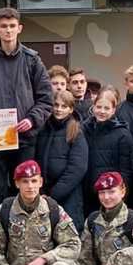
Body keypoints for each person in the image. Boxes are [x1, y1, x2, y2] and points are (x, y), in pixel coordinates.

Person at [0, 7, 53, 211]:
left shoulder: (32, 60)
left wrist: (32, 119)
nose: (8, 30)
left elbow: (46, 99)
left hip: (25, 137)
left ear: (20, 28)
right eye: (4, 26)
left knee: (25, 187)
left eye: (12, 26)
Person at [34, 90, 89, 230]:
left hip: (68, 194)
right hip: (44, 192)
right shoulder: (44, 128)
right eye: (56, 105)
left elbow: (77, 168)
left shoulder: (76, 131)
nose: (58, 109)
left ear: (71, 109)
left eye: (64, 106)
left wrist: (54, 193)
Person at [83, 86, 133, 214]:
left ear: (113, 111)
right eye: (99, 107)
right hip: (87, 194)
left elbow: (126, 170)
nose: (102, 111)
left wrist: (121, 194)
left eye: (106, 108)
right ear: (93, 106)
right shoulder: (83, 130)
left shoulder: (123, 134)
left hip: (111, 195)